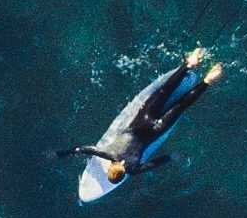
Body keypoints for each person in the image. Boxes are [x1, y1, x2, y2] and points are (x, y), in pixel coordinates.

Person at [68, 48, 225, 189]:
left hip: (156, 130)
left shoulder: (134, 170)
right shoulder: (110, 155)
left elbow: (155, 163)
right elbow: (84, 149)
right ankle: (189, 64)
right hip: (142, 121)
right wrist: (65, 153)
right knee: (164, 92)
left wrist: (171, 157)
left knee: (181, 105)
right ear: (111, 167)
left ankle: (208, 80)